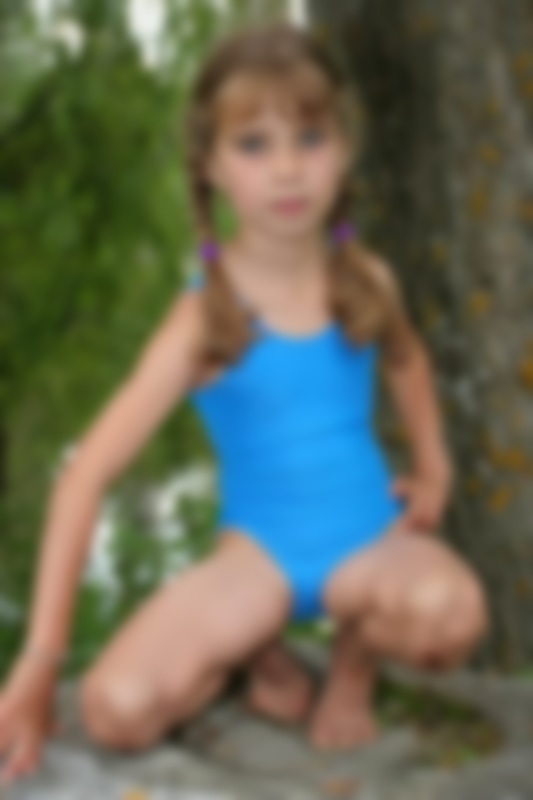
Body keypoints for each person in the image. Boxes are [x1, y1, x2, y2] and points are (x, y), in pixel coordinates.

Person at [0, 20, 490, 786]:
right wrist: (40, 661)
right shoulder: (204, 318)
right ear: (210, 165)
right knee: (115, 710)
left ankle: (352, 663)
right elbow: (84, 477)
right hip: (258, 559)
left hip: (368, 546)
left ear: (344, 148)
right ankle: (257, 655)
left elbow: (408, 360)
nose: (287, 170)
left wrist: (433, 469)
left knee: (452, 616)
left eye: (309, 138)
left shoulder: (366, 279)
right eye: (254, 145)